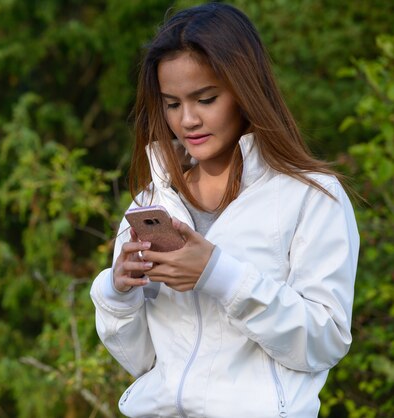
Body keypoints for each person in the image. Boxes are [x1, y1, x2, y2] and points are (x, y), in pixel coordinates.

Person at [89, 3, 359, 417]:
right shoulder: (150, 204)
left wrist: (219, 275)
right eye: (172, 104)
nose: (188, 120)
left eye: (206, 98)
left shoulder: (312, 197)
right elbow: (142, 362)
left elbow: (323, 343)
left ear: (246, 90)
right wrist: (117, 294)